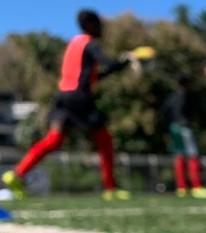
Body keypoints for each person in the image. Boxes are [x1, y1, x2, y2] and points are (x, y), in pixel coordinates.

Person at [2, 10, 152, 202]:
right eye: (99, 25)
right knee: (104, 139)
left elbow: (96, 76)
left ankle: (17, 173)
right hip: (79, 98)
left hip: (62, 97)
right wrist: (129, 57)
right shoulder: (90, 43)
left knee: (53, 140)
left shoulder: (74, 45)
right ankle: (110, 187)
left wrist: (121, 64)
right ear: (90, 25)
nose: (102, 29)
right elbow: (106, 63)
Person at [161, 75, 206, 199]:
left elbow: (164, 111)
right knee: (192, 155)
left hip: (173, 127)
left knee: (179, 156)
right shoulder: (186, 96)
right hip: (184, 128)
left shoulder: (171, 96)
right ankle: (196, 187)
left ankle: (181, 187)